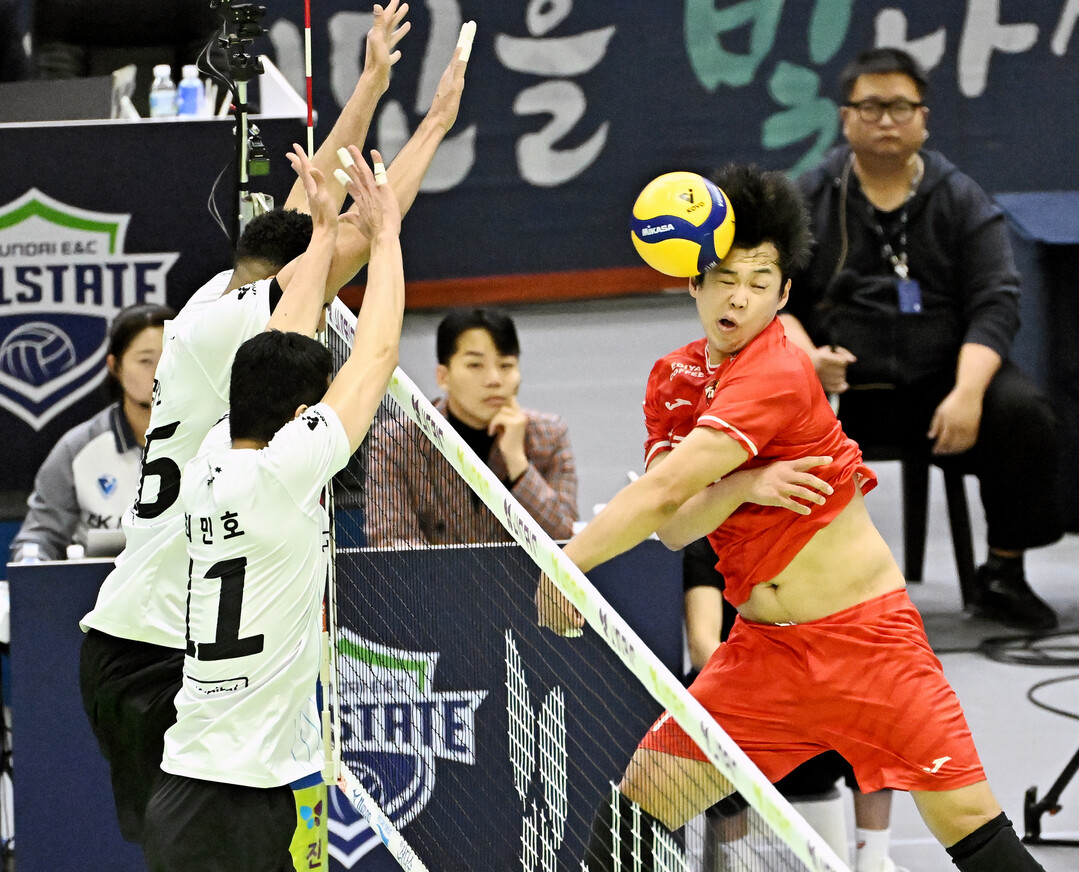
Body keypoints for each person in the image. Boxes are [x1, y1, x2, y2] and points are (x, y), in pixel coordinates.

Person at [537, 163, 1047, 872]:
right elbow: (675, 526)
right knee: (644, 795)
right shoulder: (674, 380)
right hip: (763, 655)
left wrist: (565, 566)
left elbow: (666, 492)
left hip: (868, 646)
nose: (738, 298)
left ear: (782, 296)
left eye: (759, 282)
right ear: (693, 281)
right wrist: (746, 483)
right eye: (724, 278)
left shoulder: (776, 370)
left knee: (969, 826)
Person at [78, 7, 470, 847]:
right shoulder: (240, 329)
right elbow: (351, 234)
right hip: (152, 649)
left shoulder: (214, 302)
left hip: (150, 638)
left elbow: (305, 210)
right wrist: (433, 122)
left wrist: (369, 87)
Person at [142, 145, 402, 872]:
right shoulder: (286, 472)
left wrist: (320, 237)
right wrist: (384, 239)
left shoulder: (209, 455)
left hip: (181, 790)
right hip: (250, 802)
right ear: (297, 418)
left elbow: (267, 346)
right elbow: (377, 353)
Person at [781, 47, 1063, 632]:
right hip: (844, 391)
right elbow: (769, 296)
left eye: (901, 107)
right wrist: (807, 360)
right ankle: (793, 588)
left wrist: (968, 392)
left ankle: (1004, 572)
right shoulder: (808, 199)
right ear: (845, 117)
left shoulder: (960, 197)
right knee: (769, 413)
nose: (887, 120)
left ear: (924, 118)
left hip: (942, 387)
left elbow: (995, 301)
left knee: (1024, 412)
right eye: (871, 106)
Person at [645, 315, 904, 872]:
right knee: (704, 707)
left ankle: (874, 859)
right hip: (756, 681)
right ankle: (737, 857)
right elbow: (704, 644)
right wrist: (768, 682)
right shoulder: (708, 525)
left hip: (826, 668)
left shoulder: (813, 497)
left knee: (879, 690)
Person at [364, 307, 578, 546]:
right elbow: (391, 543)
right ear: (443, 376)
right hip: (436, 572)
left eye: (506, 365)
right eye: (475, 365)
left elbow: (564, 537)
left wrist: (518, 463)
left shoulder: (549, 435)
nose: (494, 379)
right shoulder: (396, 441)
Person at [9, 302, 174, 563]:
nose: (159, 371)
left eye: (170, 357)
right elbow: (40, 536)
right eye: (145, 361)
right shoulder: (78, 448)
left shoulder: (210, 441)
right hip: (98, 587)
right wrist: (31, 562)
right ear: (115, 366)